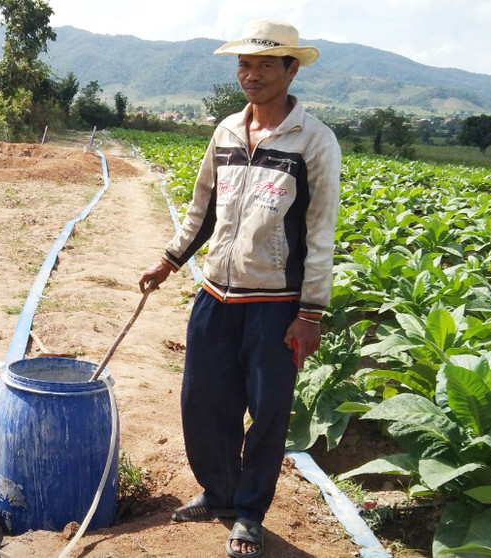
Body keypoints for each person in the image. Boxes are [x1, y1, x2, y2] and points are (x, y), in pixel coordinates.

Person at [138, 18, 341, 558]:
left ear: (291, 69)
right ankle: (219, 492)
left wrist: (311, 314)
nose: (251, 75)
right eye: (245, 64)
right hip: (216, 296)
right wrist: (170, 261)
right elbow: (202, 207)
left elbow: (320, 234)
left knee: (268, 410)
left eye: (264, 65)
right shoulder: (227, 131)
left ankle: (249, 513)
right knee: (203, 402)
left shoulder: (314, 141)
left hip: (275, 305)